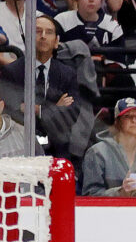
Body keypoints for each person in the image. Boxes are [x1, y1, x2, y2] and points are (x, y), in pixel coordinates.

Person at [0, 15, 79, 161]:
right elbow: (11, 109)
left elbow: (71, 113)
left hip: (58, 147)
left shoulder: (68, 74)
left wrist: (32, 108)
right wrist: (53, 108)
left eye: (49, 32)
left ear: (56, 42)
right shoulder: (11, 72)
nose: (43, 36)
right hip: (21, 146)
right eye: (37, 31)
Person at [81, 97, 136, 197]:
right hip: (109, 212)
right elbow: (89, 195)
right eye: (127, 116)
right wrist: (121, 192)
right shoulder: (97, 152)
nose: (134, 120)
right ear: (117, 121)